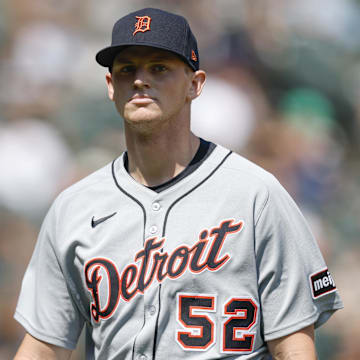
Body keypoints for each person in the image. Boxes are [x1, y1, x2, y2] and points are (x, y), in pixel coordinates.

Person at [14, 8, 343, 360]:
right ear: (111, 86)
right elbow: (43, 346)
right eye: (127, 69)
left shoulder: (256, 195)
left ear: (195, 84)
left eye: (159, 68)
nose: (140, 80)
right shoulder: (74, 207)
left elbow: (294, 346)